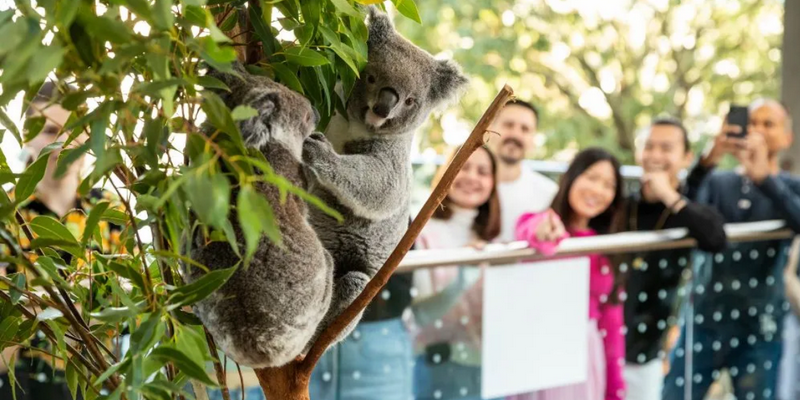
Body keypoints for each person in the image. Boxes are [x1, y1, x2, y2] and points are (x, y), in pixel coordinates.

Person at [663, 99, 800, 400]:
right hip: (704, 319)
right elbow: (685, 206)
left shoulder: (790, 186)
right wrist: (709, 158)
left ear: (787, 137)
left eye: (768, 124)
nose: (758, 131)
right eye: (751, 123)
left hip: (760, 324)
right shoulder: (718, 180)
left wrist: (765, 179)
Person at [0, 82, 125, 400]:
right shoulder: (6, 216)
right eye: (49, 131)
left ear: (87, 136)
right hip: (20, 385)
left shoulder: (111, 212)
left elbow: (129, 306)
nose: (60, 144)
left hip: (101, 379)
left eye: (71, 130)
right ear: (26, 137)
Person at [620, 118, 727, 400]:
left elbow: (716, 238)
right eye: (649, 146)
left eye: (666, 148)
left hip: (647, 349)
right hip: (603, 339)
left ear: (686, 157)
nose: (655, 155)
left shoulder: (685, 207)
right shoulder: (622, 204)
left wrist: (667, 193)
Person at [512, 147, 627, 400]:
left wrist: (615, 389)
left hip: (586, 356)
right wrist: (543, 232)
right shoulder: (541, 222)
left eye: (609, 185)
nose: (598, 190)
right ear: (571, 178)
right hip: (539, 351)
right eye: (592, 177)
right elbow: (528, 230)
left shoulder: (606, 247)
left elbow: (612, 323)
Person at [411, 145, 502, 400]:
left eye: (483, 172)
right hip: (437, 369)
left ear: (493, 183)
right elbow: (420, 314)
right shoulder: (422, 232)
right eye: (464, 167)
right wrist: (462, 277)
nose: (472, 177)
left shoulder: (496, 237)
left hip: (492, 369)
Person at [491, 100, 559, 242]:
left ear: (533, 139)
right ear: (490, 128)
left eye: (525, 129)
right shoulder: (465, 187)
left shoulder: (549, 193)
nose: (515, 134)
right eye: (508, 125)